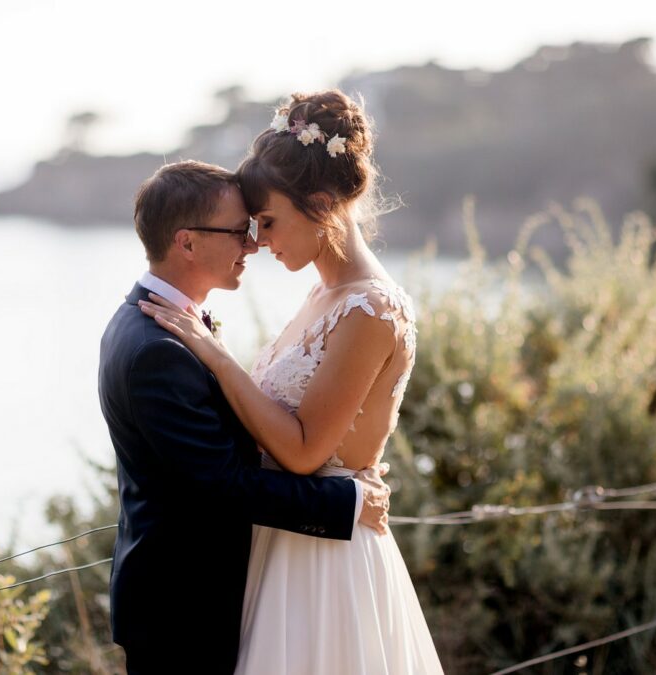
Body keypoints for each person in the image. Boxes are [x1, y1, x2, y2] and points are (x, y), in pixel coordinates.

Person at [139, 90, 443, 674]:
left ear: (322, 204)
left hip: (327, 570)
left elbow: (305, 452)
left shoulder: (371, 309)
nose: (257, 241)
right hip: (284, 546)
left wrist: (215, 355)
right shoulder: (324, 296)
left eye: (268, 221)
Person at [98, 159, 392, 674]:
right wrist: (347, 501)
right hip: (181, 613)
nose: (252, 245)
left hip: (199, 599)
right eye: (239, 231)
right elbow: (222, 485)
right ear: (187, 243)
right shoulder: (156, 349)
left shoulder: (162, 323)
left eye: (256, 228)